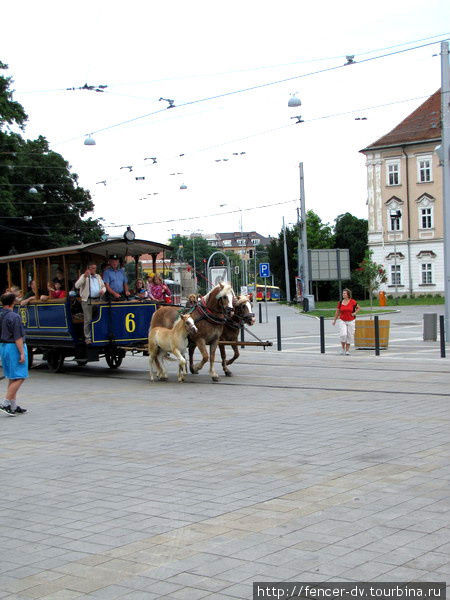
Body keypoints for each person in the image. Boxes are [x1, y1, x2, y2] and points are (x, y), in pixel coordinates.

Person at [0, 292, 28, 416]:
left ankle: (13, 404)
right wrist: (22, 353)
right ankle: (6, 403)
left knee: (12, 376)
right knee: (20, 376)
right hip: (13, 347)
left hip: (4, 345)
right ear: (13, 302)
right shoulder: (14, 316)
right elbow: (18, 337)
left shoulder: (1, 314)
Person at [75, 263, 106, 344]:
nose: (94, 270)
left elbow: (103, 286)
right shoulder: (84, 276)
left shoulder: (98, 276)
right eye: (92, 268)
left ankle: (98, 334)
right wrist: (85, 276)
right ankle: (88, 337)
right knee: (88, 319)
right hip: (87, 300)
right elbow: (77, 285)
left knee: (99, 317)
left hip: (98, 300)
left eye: (95, 268)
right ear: (88, 268)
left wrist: (103, 290)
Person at [332, 288, 360, 355]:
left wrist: (355, 313)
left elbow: (358, 307)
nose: (343, 294)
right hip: (342, 320)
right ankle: (343, 349)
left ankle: (347, 351)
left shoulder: (353, 301)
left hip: (351, 320)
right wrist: (334, 320)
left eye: (344, 293)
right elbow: (337, 312)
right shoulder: (340, 302)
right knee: (343, 334)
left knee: (349, 336)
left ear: (348, 294)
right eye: (343, 293)